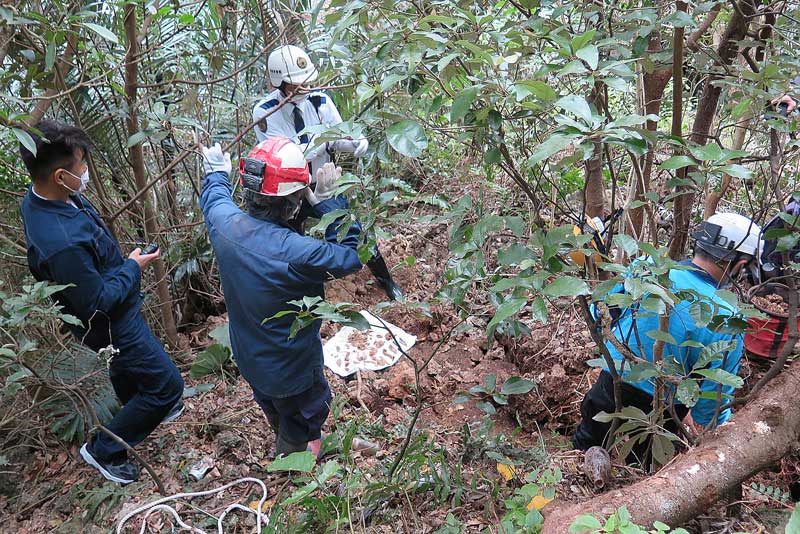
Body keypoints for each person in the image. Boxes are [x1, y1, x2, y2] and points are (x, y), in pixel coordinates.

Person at [18, 120, 184, 484]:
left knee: (127, 369)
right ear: (61, 176)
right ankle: (104, 449)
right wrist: (132, 267)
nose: (86, 171)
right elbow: (98, 301)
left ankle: (141, 407)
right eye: (81, 166)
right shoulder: (62, 242)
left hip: (112, 309)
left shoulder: (44, 197)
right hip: (111, 320)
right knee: (169, 386)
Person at [199, 138, 363, 457]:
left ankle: (290, 439)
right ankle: (294, 459)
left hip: (250, 357)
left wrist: (216, 171)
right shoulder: (295, 252)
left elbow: (215, 197)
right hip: (293, 368)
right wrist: (331, 204)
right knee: (309, 411)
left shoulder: (225, 226)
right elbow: (350, 256)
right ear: (293, 202)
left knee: (276, 407)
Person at [573, 213, 763, 463]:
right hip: (661, 410)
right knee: (639, 474)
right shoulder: (729, 317)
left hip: (610, 381)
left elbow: (608, 316)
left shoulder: (646, 266)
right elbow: (713, 402)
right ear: (740, 265)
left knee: (582, 447)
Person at [252, 44, 403, 301]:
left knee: (353, 231)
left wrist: (354, 141)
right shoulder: (266, 112)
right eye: (296, 85)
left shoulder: (321, 102)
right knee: (290, 244)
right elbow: (286, 156)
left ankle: (386, 279)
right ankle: (299, 296)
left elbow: (337, 136)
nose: (304, 89)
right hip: (289, 191)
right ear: (280, 83)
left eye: (307, 82)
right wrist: (321, 140)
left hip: (325, 184)